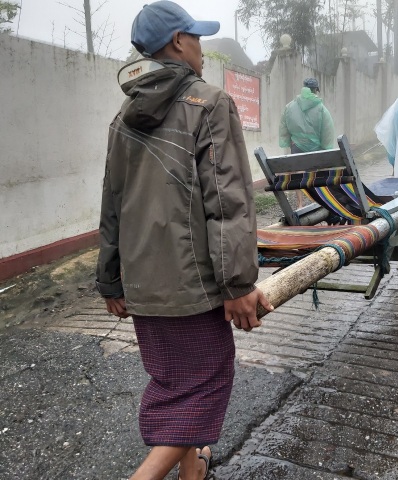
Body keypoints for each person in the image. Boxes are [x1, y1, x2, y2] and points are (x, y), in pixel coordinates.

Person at [95, 2, 274, 479]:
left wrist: (110, 281)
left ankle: (192, 473)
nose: (200, 47)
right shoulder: (208, 102)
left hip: (143, 286)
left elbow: (111, 202)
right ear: (178, 41)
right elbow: (228, 201)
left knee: (176, 380)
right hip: (195, 286)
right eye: (195, 37)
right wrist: (237, 285)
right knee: (205, 385)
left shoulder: (124, 116)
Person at [279, 77, 336, 209]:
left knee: (297, 173)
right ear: (316, 90)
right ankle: (319, 200)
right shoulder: (321, 109)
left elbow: (284, 127)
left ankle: (300, 203)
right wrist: (325, 147)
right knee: (320, 172)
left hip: (297, 147)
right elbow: (327, 132)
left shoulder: (290, 106)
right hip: (316, 150)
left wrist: (290, 142)